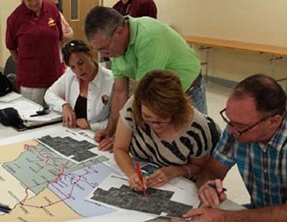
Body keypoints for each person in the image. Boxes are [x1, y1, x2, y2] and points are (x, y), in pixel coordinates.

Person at [84, 6, 206, 150]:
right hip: (158, 93)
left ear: (119, 32)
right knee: (162, 147)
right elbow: (120, 92)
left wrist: (120, 137)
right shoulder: (116, 46)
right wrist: (111, 131)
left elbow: (143, 97)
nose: (104, 54)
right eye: (98, 50)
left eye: (104, 48)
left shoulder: (149, 37)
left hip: (187, 90)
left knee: (192, 145)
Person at [180, 74, 287, 222]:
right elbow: (212, 170)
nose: (229, 130)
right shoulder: (236, 131)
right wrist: (207, 186)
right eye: (229, 120)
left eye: (240, 125)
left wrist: (224, 217)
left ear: (273, 121)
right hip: (259, 212)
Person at [114, 70, 219, 191]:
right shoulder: (133, 106)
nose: (155, 125)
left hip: (180, 187)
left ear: (177, 111)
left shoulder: (196, 126)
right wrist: (132, 174)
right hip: (147, 177)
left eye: (163, 118)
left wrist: (175, 171)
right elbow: (119, 148)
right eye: (147, 117)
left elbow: (200, 167)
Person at [44, 40, 114, 131]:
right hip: (73, 132)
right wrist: (64, 105)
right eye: (73, 67)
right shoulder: (70, 74)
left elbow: (117, 120)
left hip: (99, 135)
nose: (78, 71)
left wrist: (92, 126)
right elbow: (49, 94)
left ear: (90, 55)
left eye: (81, 63)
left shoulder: (111, 80)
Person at [6, 0, 63, 106]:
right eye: (29, 0)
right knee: (34, 116)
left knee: (57, 113)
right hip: (31, 81)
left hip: (55, 76)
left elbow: (59, 38)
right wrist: (22, 64)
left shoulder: (52, 10)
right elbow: (11, 46)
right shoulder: (14, 18)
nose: (33, 3)